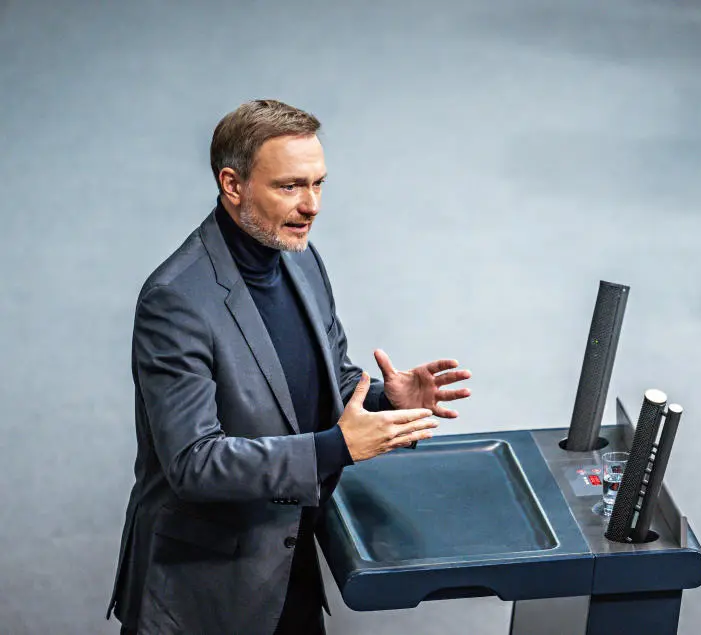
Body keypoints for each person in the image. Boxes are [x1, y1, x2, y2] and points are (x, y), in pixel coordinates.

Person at [105, 99, 472, 634]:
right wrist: (336, 447)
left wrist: (383, 401)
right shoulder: (176, 300)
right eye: (290, 186)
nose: (312, 205)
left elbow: (323, 383)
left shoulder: (302, 260)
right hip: (204, 595)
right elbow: (193, 463)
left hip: (288, 564)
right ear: (233, 185)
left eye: (319, 183)